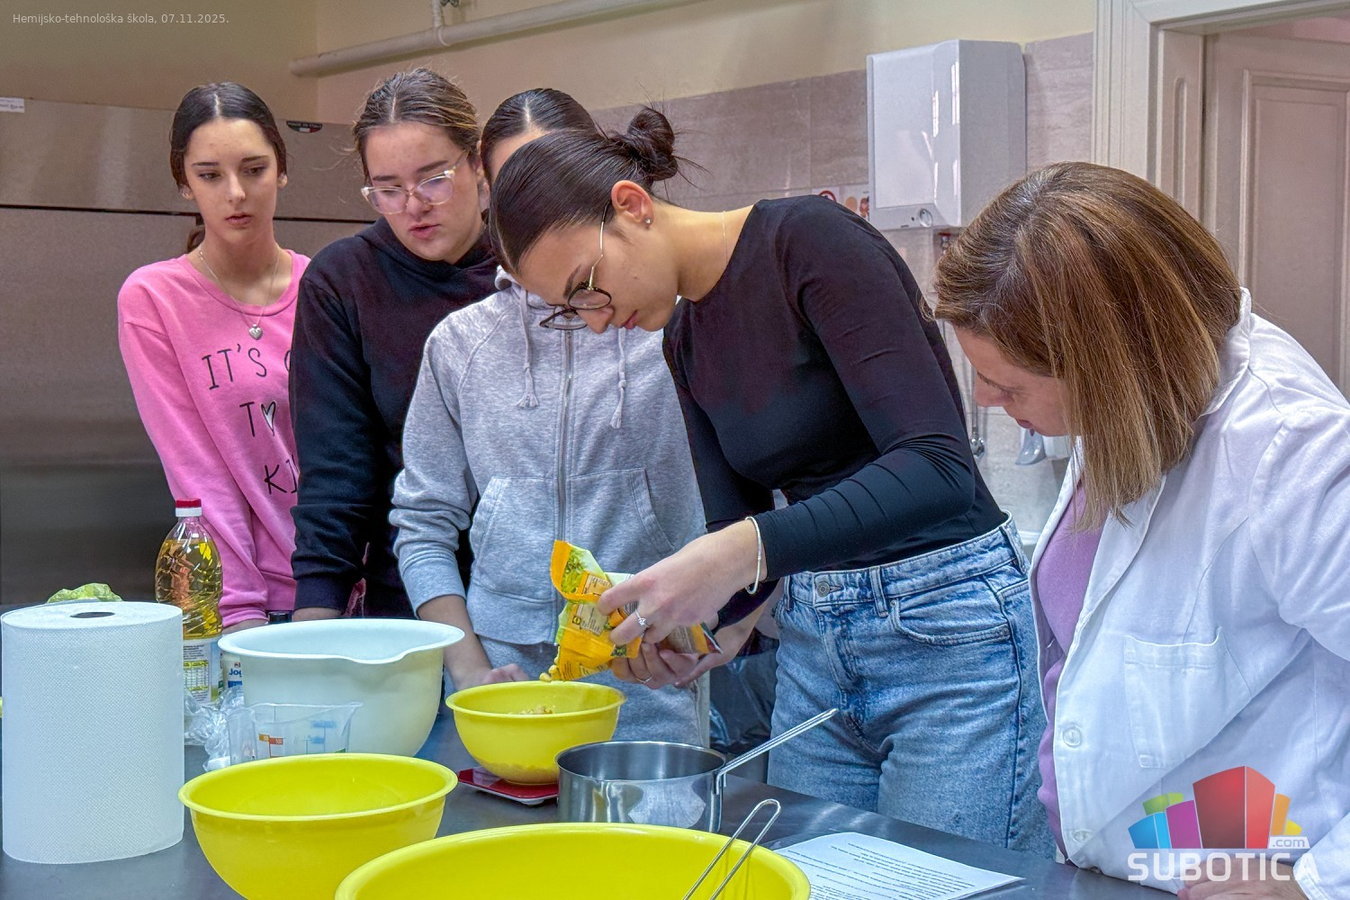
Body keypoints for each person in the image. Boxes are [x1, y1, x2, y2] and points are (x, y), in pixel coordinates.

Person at [487, 108, 1051, 853]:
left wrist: (731, 558)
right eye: (570, 311)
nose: (594, 321)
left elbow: (937, 467)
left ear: (631, 204)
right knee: (802, 879)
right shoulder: (684, 337)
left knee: (942, 880)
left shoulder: (808, 242)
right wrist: (702, 629)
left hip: (947, 631)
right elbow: (740, 533)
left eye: (587, 286)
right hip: (817, 645)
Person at [932, 161, 1350, 898]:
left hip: (1236, 872)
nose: (989, 402)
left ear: (1107, 364)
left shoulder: (1291, 453)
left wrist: (1318, 882)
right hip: (1119, 868)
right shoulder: (1132, 409)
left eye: (1008, 384)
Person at [390, 88, 708, 743]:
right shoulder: (459, 345)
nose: (536, 207)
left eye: (555, 177)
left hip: (648, 671)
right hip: (506, 680)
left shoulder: (673, 323)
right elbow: (422, 525)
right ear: (486, 192)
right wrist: (469, 671)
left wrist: (717, 631)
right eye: (514, 186)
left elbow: (764, 503)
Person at [288, 68, 497, 622]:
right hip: (408, 602)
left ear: (478, 164)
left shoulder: (534, 264)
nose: (413, 205)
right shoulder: (343, 280)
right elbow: (335, 470)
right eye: (388, 189)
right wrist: (314, 619)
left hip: (537, 596)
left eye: (433, 179)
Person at [118, 82, 307, 632]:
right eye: (210, 175)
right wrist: (238, 610)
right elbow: (195, 468)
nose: (236, 193)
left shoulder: (326, 286)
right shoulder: (154, 299)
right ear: (184, 183)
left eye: (254, 170)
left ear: (281, 170)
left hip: (346, 588)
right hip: (250, 608)